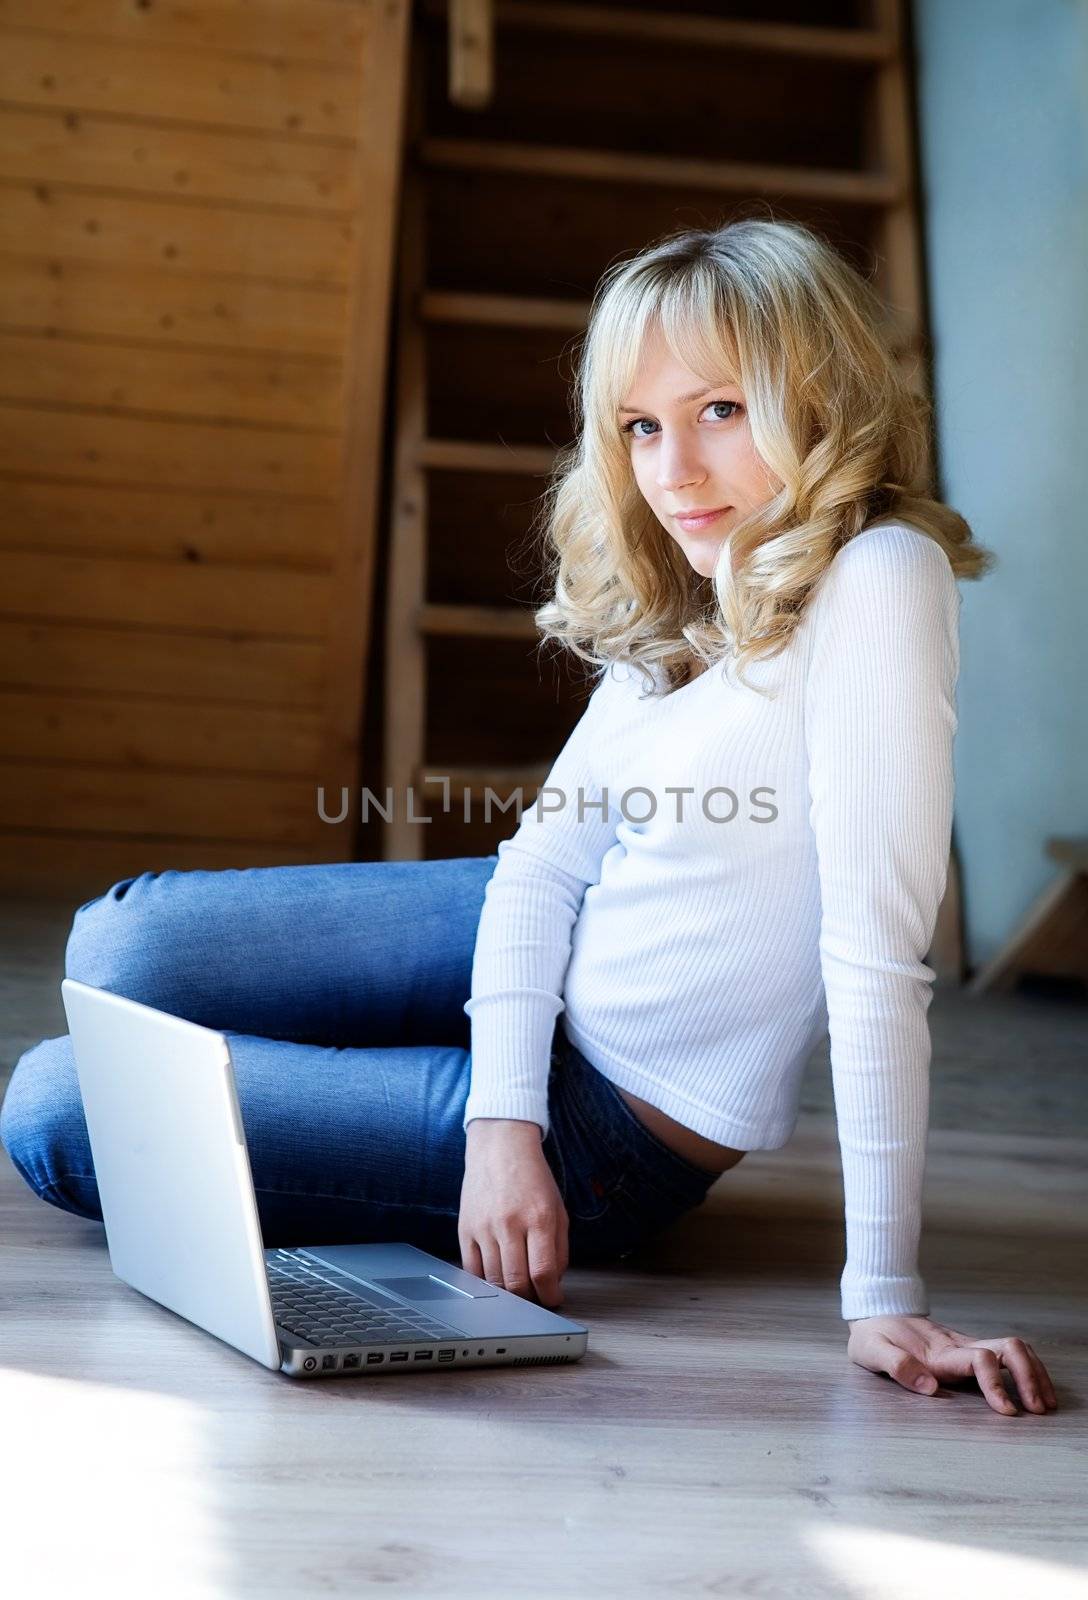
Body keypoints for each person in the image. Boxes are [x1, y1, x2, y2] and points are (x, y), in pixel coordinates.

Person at [0, 218, 1056, 1417]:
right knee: (120, 944)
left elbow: (875, 950)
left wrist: (882, 1291)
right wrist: (493, 1121)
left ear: (820, 394)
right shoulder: (700, 584)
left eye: (718, 409)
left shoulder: (879, 577)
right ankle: (411, 1080)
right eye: (640, 426)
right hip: (541, 968)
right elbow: (542, 868)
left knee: (54, 1106)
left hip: (608, 1125)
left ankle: (386, 1086)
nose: (673, 473)